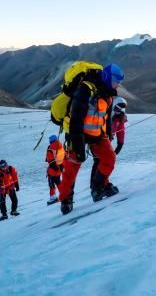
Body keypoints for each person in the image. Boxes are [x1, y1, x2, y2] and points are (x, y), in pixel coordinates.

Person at [58, 63, 124, 215]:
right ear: (108, 78)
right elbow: (75, 121)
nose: (118, 85)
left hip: (97, 134)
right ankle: (65, 200)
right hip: (77, 134)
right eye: (116, 81)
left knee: (109, 158)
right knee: (71, 168)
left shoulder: (107, 93)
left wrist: (107, 134)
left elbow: (106, 117)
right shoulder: (85, 90)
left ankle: (99, 187)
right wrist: (80, 148)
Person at [45, 135, 64, 205]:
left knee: (51, 183)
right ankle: (64, 194)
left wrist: (53, 167)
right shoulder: (60, 146)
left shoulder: (50, 148)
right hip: (59, 169)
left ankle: (53, 197)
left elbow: (50, 159)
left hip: (52, 170)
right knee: (58, 182)